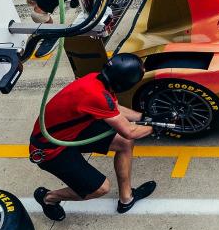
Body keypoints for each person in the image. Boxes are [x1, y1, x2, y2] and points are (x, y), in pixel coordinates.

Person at [31, 53, 157, 221]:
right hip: (50, 148)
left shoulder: (96, 79)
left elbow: (114, 108)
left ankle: (126, 198)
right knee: (100, 189)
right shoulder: (98, 96)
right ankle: (48, 198)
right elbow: (130, 131)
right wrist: (154, 127)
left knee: (124, 143)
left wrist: (144, 118)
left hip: (69, 133)